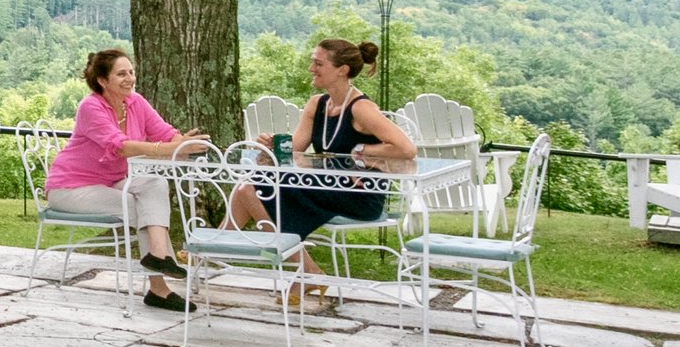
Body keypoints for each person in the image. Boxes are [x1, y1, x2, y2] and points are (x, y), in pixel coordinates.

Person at [225, 38, 416, 305]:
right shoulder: (317, 104)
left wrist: (362, 150)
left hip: (359, 194)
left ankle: (218, 244)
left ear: (342, 70)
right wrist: (272, 146)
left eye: (318, 63)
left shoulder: (361, 108)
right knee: (250, 185)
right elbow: (296, 150)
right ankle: (301, 269)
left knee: (251, 188)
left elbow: (407, 149)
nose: (311, 69)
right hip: (324, 186)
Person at [46, 48, 206, 312]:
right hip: (70, 187)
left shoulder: (135, 102)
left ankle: (158, 255)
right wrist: (170, 150)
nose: (129, 78)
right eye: (121, 74)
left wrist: (182, 144)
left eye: (131, 72)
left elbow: (165, 133)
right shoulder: (90, 107)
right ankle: (159, 288)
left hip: (108, 181)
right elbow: (120, 147)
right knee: (137, 206)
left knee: (154, 184)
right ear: (102, 80)